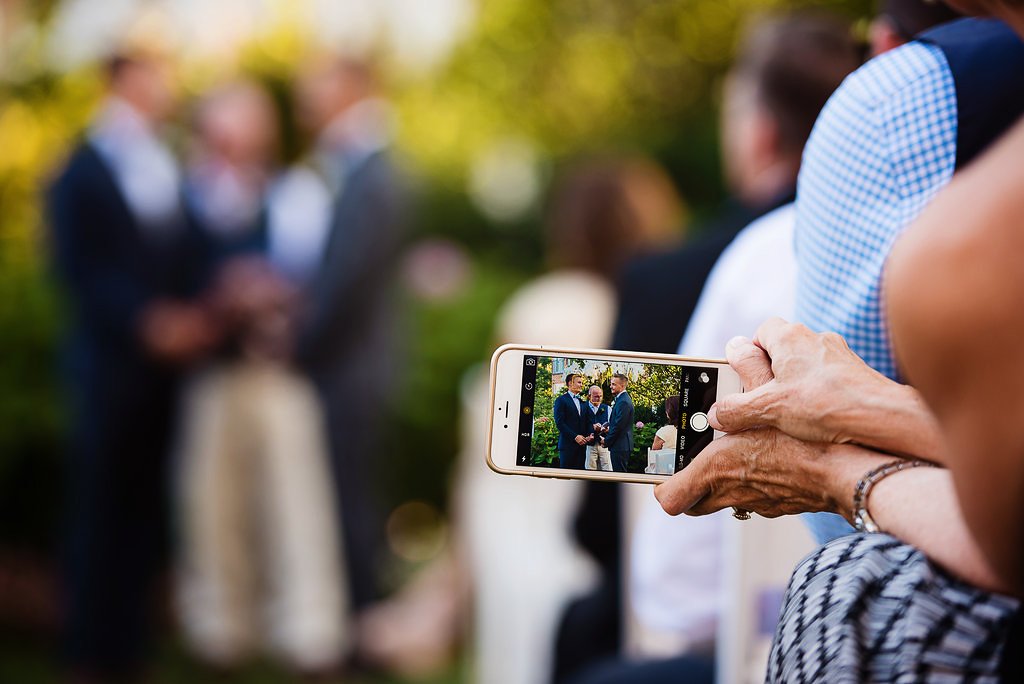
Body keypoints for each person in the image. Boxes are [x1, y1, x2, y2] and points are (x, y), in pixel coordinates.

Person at [792, 14, 1024, 544]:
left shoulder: (889, 107)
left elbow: (839, 531)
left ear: (884, 43)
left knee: (835, 580)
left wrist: (835, 471)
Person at [46, 46, 215, 680]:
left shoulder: (165, 162)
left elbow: (186, 252)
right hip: (109, 365)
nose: (165, 86)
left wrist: (197, 313)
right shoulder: (81, 167)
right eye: (154, 75)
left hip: (165, 375)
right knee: (97, 509)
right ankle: (88, 650)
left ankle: (130, 645)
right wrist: (145, 320)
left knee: (145, 510)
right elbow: (78, 269)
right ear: (121, 81)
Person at [173, 80, 347, 673]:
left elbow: (312, 275)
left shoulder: (295, 192)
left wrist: (266, 294)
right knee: (211, 505)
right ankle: (220, 631)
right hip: (211, 372)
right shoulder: (186, 193)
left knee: (297, 503)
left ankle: (309, 633)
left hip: (278, 370)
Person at [292, 55, 409, 613]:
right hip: (353, 363)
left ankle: (358, 627)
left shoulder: (371, 171)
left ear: (351, 85)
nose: (304, 94)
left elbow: (346, 281)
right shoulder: (354, 168)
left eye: (316, 80)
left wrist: (296, 346)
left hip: (351, 367)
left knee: (348, 502)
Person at [554, 373, 589, 469]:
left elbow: (585, 422)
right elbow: (560, 423)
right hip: (567, 446)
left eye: (582, 383)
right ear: (570, 383)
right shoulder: (561, 400)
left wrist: (589, 436)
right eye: (579, 382)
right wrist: (575, 437)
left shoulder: (582, 402)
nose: (581, 385)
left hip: (581, 447)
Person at [602, 374, 634, 473]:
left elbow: (618, 426)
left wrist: (606, 441)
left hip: (620, 446)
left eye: (614, 384)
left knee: (619, 476)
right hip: (620, 445)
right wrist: (608, 427)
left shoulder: (623, 401)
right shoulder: (621, 399)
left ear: (622, 386)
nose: (611, 386)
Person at [584, 386, 612, 472]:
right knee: (590, 469)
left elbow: (613, 425)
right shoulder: (583, 408)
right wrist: (591, 428)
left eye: (600, 396)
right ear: (589, 396)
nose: (598, 398)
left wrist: (607, 429)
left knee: (607, 469)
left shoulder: (608, 408)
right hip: (589, 444)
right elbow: (580, 425)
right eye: (596, 396)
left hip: (603, 443)